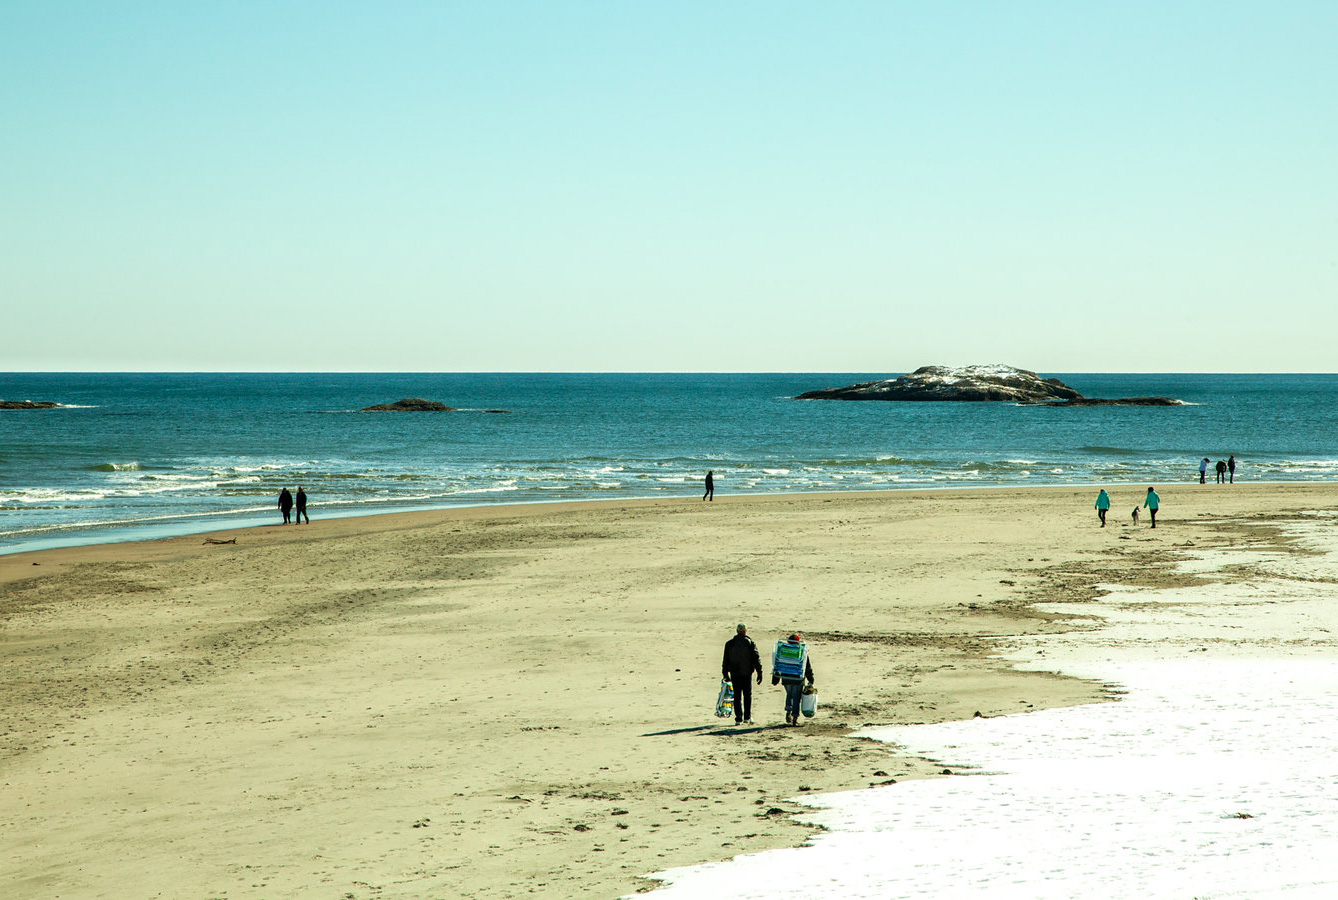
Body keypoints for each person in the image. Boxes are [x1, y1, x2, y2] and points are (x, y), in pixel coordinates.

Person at [721, 624, 763, 725]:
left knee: (737, 696)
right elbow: (756, 659)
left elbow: (725, 660)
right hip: (746, 673)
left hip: (735, 673)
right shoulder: (750, 643)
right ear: (745, 631)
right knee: (747, 695)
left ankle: (738, 718)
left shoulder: (729, 644)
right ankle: (747, 717)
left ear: (737, 631)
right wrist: (759, 672)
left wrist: (725, 673)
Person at [772, 632, 815, 726]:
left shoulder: (784, 652)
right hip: (797, 678)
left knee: (789, 695)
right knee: (796, 698)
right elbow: (807, 666)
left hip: (786, 678)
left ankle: (788, 711)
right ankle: (795, 717)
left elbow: (777, 664)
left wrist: (775, 679)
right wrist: (811, 679)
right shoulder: (801, 652)